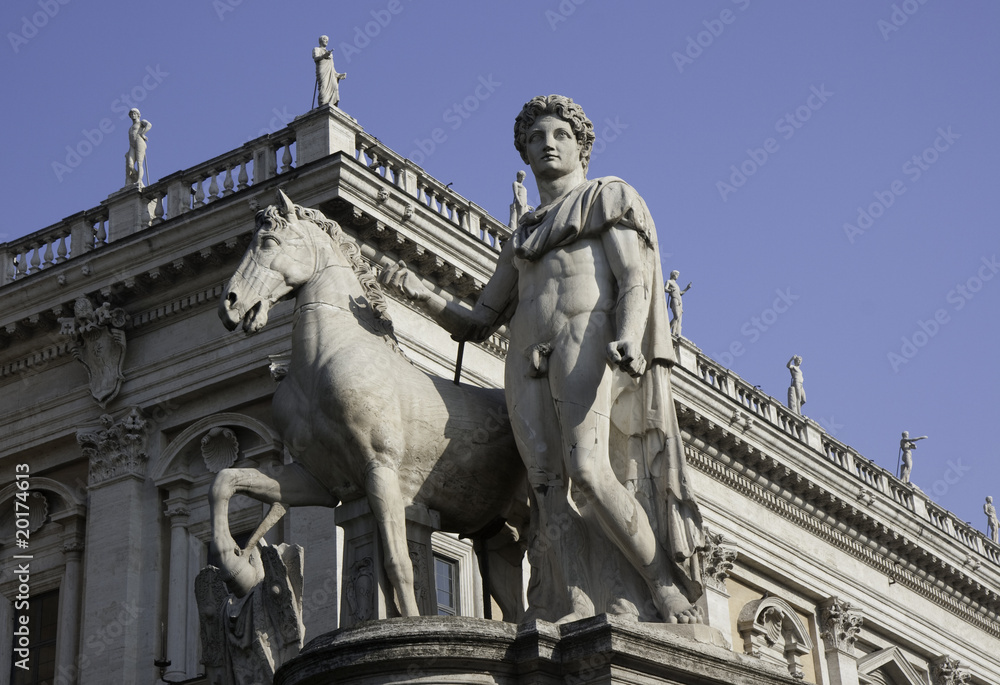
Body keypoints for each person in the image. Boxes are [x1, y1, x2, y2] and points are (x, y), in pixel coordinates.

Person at [381, 95, 703, 624]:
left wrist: (625, 335)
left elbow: (634, 279)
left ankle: (662, 585)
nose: (548, 145)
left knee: (589, 470)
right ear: (525, 155)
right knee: (545, 489)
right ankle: (570, 599)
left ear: (581, 147)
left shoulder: (606, 198)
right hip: (525, 358)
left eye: (559, 136)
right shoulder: (523, 237)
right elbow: (481, 320)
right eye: (536, 139)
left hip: (587, 340)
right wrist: (421, 293)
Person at [313, 35, 346, 107]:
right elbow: (316, 58)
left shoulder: (330, 53)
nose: (326, 41)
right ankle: (323, 104)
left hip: (331, 73)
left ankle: (332, 104)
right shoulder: (317, 49)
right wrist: (324, 56)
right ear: (320, 40)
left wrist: (338, 75)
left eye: (327, 40)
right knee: (323, 87)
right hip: (322, 70)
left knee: (334, 86)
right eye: (324, 39)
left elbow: (332, 67)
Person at [124, 108, 151, 188]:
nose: (133, 115)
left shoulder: (141, 122)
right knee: (130, 165)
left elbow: (149, 125)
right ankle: (135, 179)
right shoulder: (131, 127)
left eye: (134, 113)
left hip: (139, 141)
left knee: (139, 162)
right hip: (132, 145)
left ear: (138, 114)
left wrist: (143, 133)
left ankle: (139, 180)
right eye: (131, 114)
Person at [664, 270, 691, 337]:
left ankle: (675, 332)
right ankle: (667, 329)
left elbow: (680, 293)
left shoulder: (676, 285)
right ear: (673, 274)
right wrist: (670, 290)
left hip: (679, 301)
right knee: (676, 316)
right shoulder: (669, 281)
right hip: (674, 299)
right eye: (677, 275)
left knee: (679, 319)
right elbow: (664, 289)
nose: (677, 276)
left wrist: (687, 288)